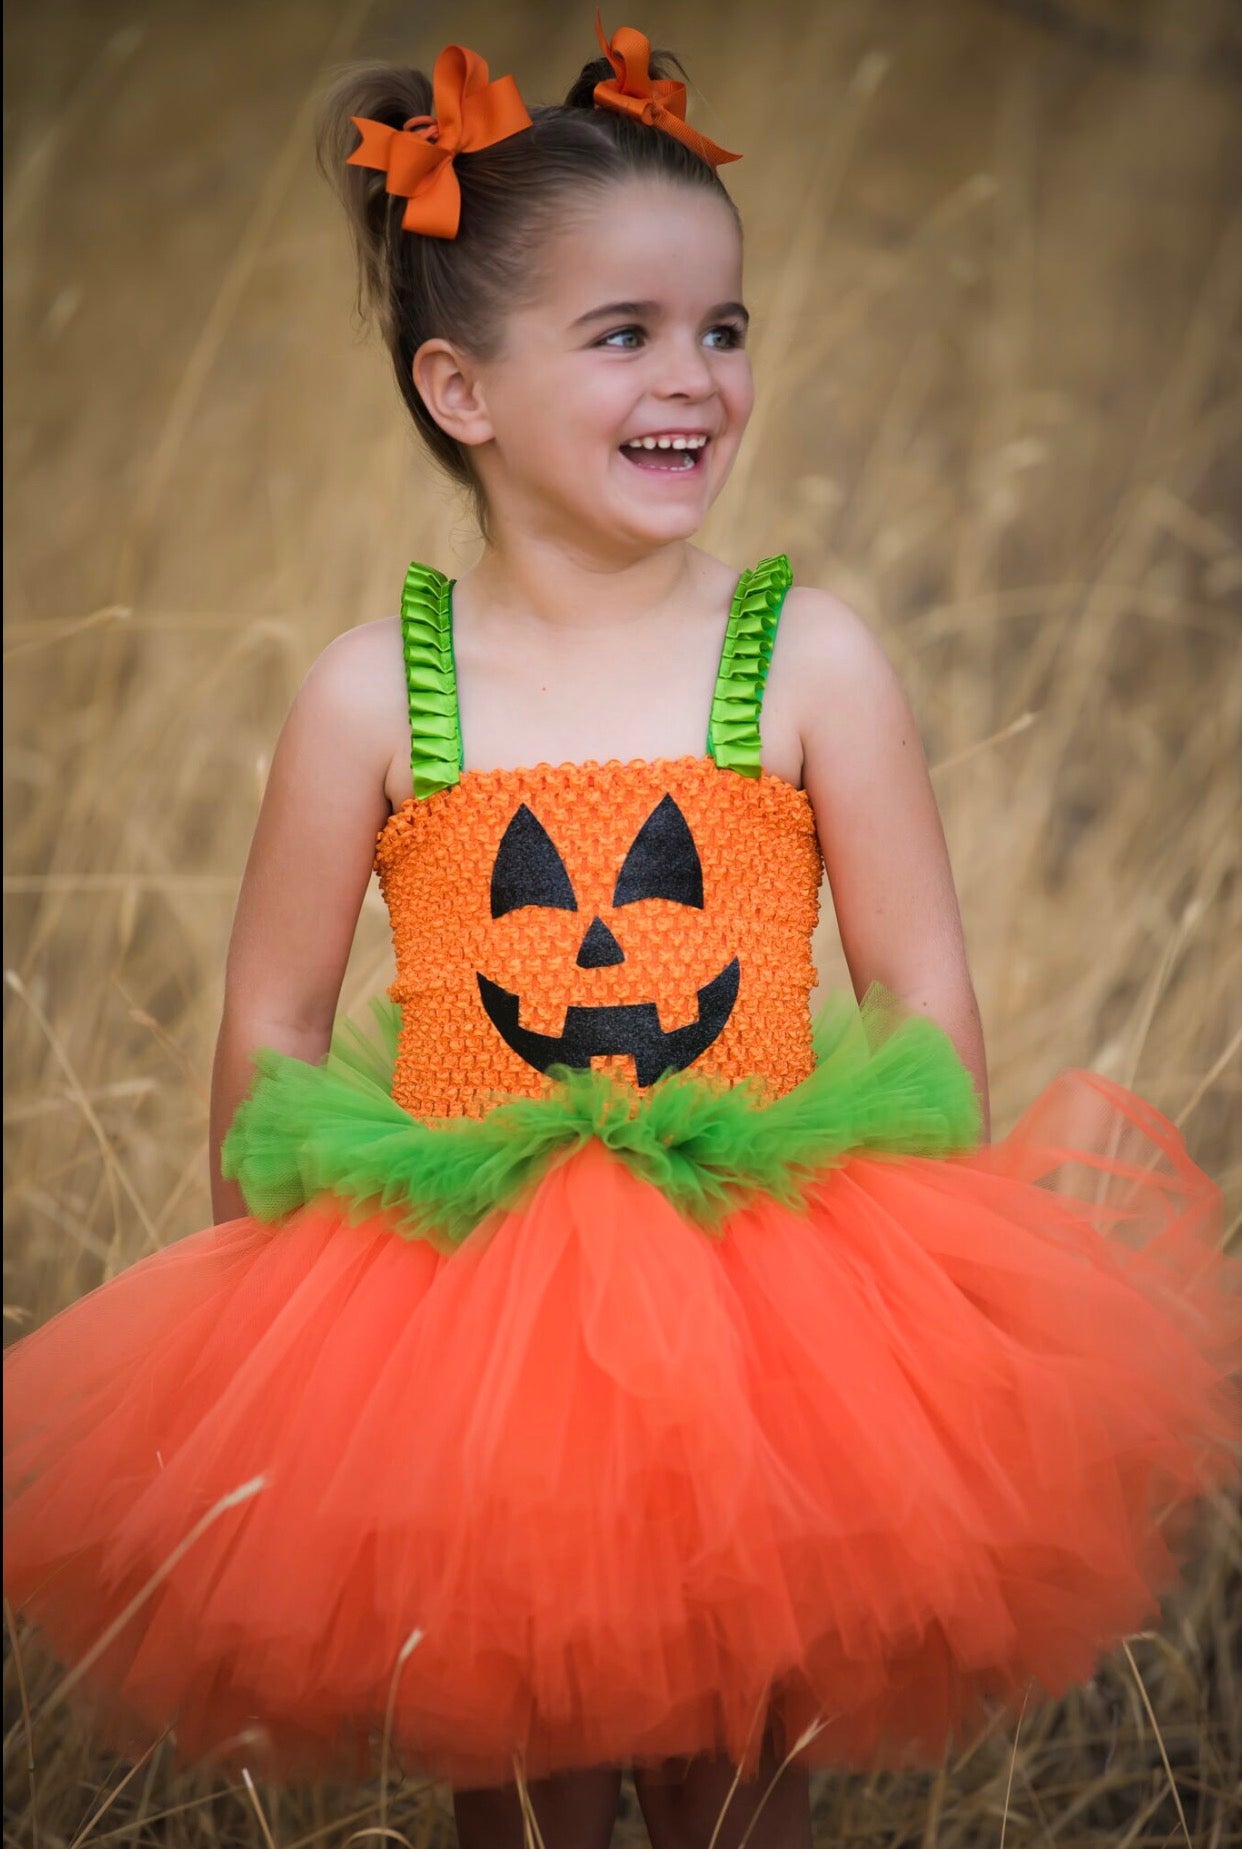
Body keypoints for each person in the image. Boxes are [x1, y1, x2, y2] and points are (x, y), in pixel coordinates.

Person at [5, 21, 1239, 1849]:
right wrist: (280, 1331)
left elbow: (920, 989)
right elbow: (270, 1020)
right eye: (626, 334)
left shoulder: (801, 658)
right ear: (462, 387)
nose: (697, 376)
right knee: (516, 1753)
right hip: (454, 1303)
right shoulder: (377, 694)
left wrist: (940, 1289)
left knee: (742, 1754)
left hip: (769, 1289)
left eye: (722, 327)